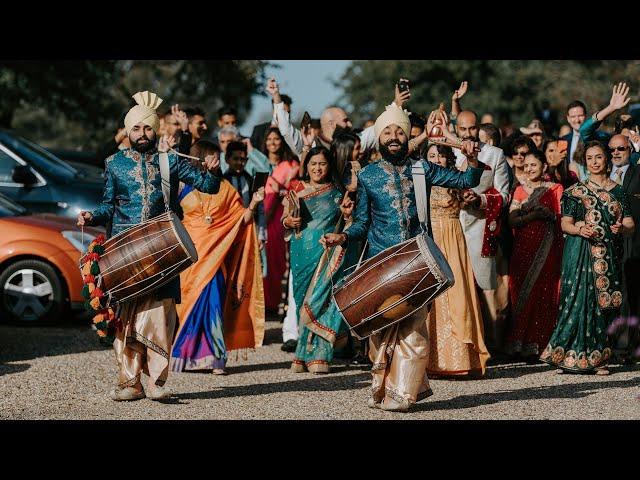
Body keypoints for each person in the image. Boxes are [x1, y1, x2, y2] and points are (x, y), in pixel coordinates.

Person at [323, 102, 485, 412]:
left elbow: (466, 181)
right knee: (380, 333)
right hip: (381, 264)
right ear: (380, 139)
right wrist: (343, 236)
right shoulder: (368, 176)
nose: (394, 136)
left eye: (399, 130)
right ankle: (385, 388)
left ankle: (402, 395)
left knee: (414, 331)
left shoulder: (421, 168)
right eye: (388, 132)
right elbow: (362, 223)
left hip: (417, 262)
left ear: (407, 135)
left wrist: (472, 157)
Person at [77, 91, 222, 401]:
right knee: (126, 319)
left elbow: (209, 186)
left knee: (158, 316)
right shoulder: (114, 163)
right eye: (136, 129)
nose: (142, 135)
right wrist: (92, 215)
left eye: (147, 128)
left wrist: (212, 168)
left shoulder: (169, 161)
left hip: (162, 251)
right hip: (125, 253)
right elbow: (108, 206)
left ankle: (155, 381)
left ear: (156, 130)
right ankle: (130, 382)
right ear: (128, 131)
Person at [170, 140, 265, 375]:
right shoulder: (182, 185)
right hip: (190, 255)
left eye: (217, 157)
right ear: (199, 158)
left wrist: (253, 204)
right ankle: (186, 357)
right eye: (212, 156)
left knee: (213, 304)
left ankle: (214, 359)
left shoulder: (225, 188)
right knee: (187, 306)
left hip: (216, 255)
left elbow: (240, 219)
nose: (217, 161)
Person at [540, 141, 635, 374]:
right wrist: (579, 230)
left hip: (608, 255)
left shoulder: (618, 191)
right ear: (585, 162)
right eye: (590, 158)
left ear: (607, 160)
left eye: (599, 157)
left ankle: (598, 358)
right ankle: (565, 356)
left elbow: (631, 223)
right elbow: (565, 223)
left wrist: (621, 227)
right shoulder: (575, 191)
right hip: (579, 253)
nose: (594, 162)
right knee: (576, 300)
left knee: (602, 305)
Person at [282, 146, 356, 373]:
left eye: (322, 164)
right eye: (313, 164)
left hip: (326, 256)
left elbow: (347, 225)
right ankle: (301, 355)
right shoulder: (297, 189)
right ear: (307, 166)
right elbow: (285, 219)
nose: (317, 168)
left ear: (329, 166)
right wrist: (288, 222)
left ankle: (318, 355)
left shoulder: (337, 193)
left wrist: (346, 215)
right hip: (301, 254)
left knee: (322, 301)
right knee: (302, 301)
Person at [448, 109, 511, 354]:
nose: (467, 133)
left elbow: (504, 195)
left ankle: (492, 346)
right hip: (450, 227)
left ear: (478, 128)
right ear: (456, 129)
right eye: (462, 129)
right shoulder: (448, 152)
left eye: (471, 129)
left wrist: (480, 201)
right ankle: (460, 348)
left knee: (486, 287)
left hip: (481, 228)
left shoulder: (494, 154)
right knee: (455, 288)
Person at [424, 143, 490, 377]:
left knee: (457, 292)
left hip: (453, 239)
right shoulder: (423, 182)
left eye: (441, 155)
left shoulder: (455, 180)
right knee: (432, 296)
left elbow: (479, 177)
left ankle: (462, 358)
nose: (436, 160)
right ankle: (432, 361)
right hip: (431, 240)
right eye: (431, 156)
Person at [505, 150, 564, 361]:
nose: (529, 169)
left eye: (534, 165)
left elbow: (560, 218)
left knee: (544, 293)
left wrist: (545, 215)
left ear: (544, 167)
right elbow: (512, 221)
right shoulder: (520, 191)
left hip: (548, 249)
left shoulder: (555, 189)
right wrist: (534, 215)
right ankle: (519, 343)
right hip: (523, 249)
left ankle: (541, 343)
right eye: (526, 165)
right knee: (521, 293)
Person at [266, 76, 410, 156]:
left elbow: (378, 128)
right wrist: (276, 96)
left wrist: (397, 103)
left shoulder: (355, 142)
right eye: (345, 121)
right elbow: (285, 129)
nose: (350, 125)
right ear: (332, 124)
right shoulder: (310, 144)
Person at [263, 128, 300, 317]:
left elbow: (293, 189)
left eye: (276, 138)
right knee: (266, 259)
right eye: (269, 139)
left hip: (279, 214)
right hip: (262, 213)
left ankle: (277, 303)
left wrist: (282, 187)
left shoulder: (291, 164)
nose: (272, 142)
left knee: (278, 260)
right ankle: (266, 302)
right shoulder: (259, 161)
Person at [562, 100, 588, 166]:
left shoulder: (596, 137)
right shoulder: (563, 140)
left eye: (580, 116)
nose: (577, 120)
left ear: (586, 116)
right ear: (568, 119)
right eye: (573, 117)